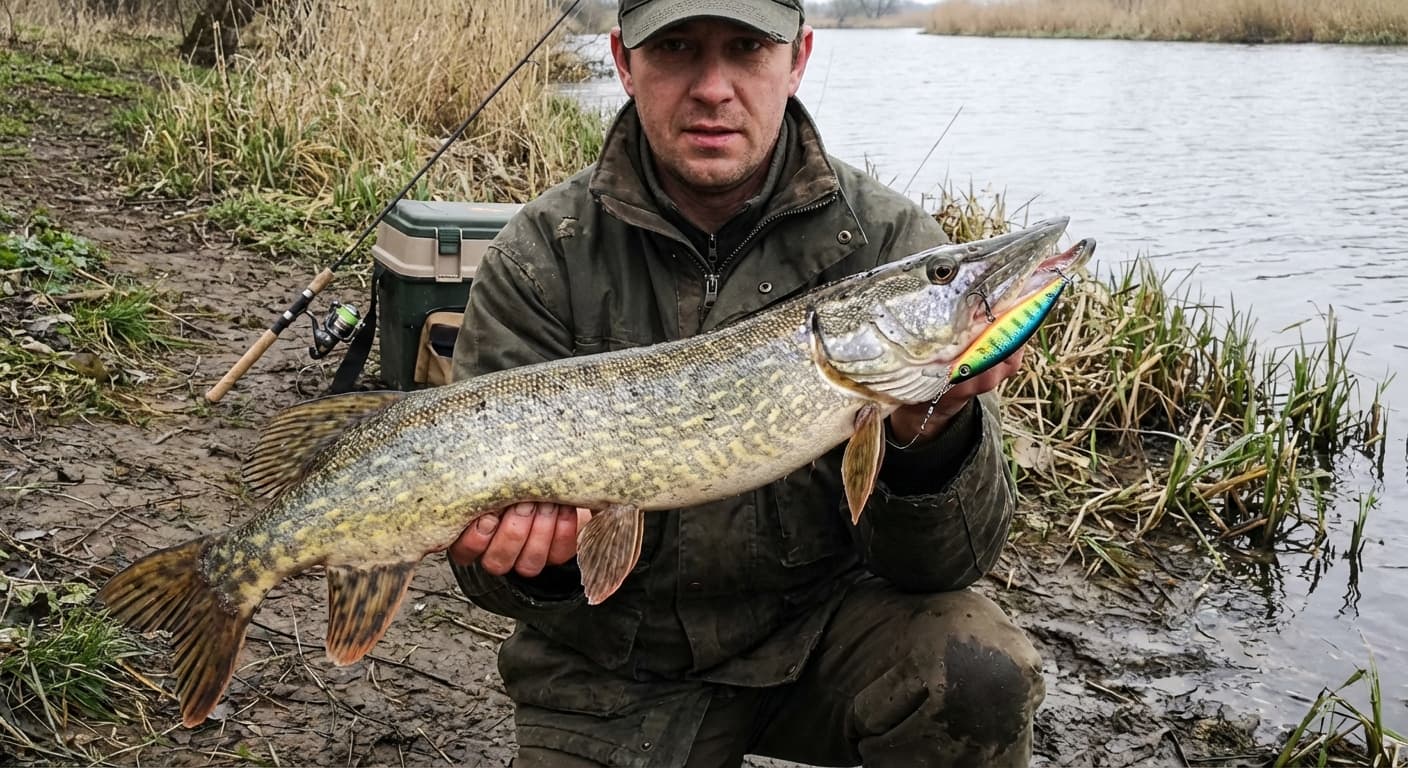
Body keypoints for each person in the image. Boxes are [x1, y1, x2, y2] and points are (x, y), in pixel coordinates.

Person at [447, 1, 1044, 765]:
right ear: (624, 61)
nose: (713, 87)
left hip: (818, 643)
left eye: (746, 48)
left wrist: (932, 434)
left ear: (798, 59)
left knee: (979, 675)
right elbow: (486, 578)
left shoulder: (888, 241)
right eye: (676, 47)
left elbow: (946, 568)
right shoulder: (540, 256)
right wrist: (545, 564)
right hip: (611, 673)